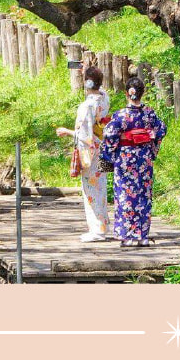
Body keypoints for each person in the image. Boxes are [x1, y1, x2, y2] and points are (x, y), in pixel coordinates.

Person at [101, 76, 168, 247]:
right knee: (143, 196)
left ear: (126, 93)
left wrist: (109, 155)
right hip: (144, 159)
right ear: (142, 93)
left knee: (124, 195)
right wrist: (150, 145)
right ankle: (142, 236)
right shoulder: (149, 114)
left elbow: (109, 135)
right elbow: (161, 129)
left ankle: (126, 235)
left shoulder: (120, 115)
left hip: (125, 159)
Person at [56, 64, 111, 242]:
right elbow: (100, 88)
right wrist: (90, 73)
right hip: (104, 147)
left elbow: (84, 135)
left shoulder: (86, 106)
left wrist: (67, 131)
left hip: (91, 152)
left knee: (90, 189)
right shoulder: (104, 98)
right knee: (101, 187)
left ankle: (96, 230)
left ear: (87, 84)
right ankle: (103, 225)